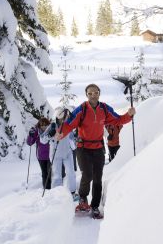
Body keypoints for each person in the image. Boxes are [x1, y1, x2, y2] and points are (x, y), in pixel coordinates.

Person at [55, 84, 136, 219]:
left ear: (99, 93)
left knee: (98, 178)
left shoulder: (104, 108)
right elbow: (70, 123)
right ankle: (82, 199)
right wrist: (60, 134)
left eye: (96, 92)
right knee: (87, 174)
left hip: (98, 148)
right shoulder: (82, 109)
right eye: (90, 93)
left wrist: (129, 115)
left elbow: (118, 120)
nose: (93, 95)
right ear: (86, 95)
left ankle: (95, 206)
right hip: (83, 148)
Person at [41, 107, 79, 201]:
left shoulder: (68, 125)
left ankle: (72, 192)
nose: (65, 119)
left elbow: (72, 140)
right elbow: (43, 140)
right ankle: (57, 195)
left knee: (71, 173)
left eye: (66, 117)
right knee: (57, 175)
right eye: (63, 117)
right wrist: (49, 135)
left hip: (67, 153)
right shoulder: (52, 126)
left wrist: (76, 141)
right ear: (59, 116)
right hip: (56, 154)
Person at [27, 117, 51, 189]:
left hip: (51, 155)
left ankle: (52, 188)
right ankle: (46, 189)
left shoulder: (50, 131)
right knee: (44, 173)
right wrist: (30, 135)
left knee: (50, 173)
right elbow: (30, 143)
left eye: (45, 125)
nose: (44, 126)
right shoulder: (37, 132)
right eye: (42, 125)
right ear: (39, 125)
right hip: (41, 157)